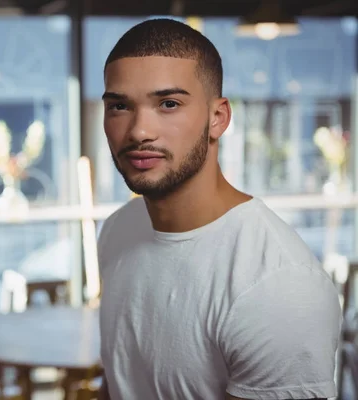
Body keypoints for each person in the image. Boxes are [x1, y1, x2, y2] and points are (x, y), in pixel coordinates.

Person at [97, 19, 341, 400]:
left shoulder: (278, 284)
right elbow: (119, 382)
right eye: (119, 106)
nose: (139, 131)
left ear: (218, 118)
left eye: (168, 104)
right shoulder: (117, 230)